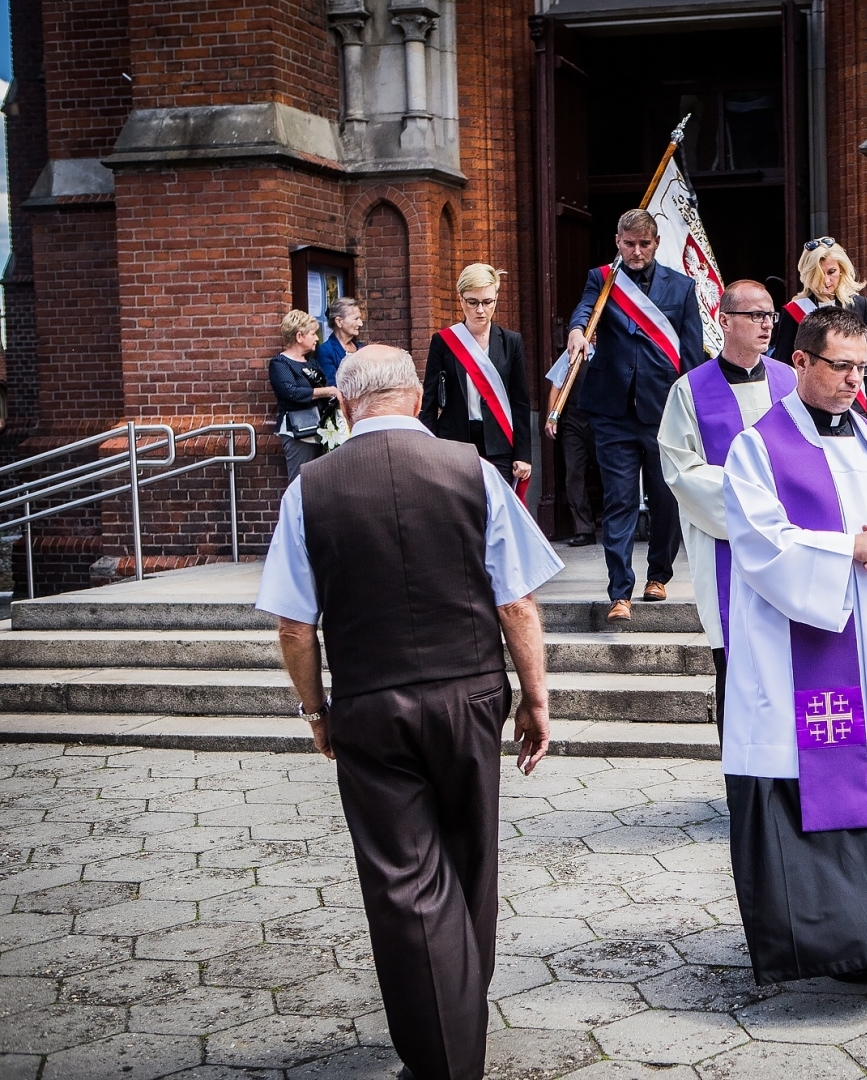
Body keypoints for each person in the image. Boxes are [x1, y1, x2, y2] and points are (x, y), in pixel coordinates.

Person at [255, 345, 563, 1080]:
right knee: (469, 860)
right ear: (418, 398)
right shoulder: (473, 471)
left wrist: (315, 709)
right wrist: (536, 699)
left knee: (403, 881)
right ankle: (457, 1022)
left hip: (368, 699)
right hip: (469, 693)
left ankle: (442, 1050)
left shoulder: (311, 487)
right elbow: (517, 601)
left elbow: (294, 625)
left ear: (347, 404)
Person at [720, 305, 867, 985]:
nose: (855, 380)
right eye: (841, 366)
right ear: (800, 362)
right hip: (798, 654)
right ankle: (829, 941)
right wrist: (845, 548)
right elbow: (761, 543)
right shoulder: (758, 448)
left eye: (862, 367)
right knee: (809, 784)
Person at [658, 280, 796, 744]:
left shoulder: (791, 380)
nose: (765, 324)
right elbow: (681, 469)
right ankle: (744, 783)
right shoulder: (690, 390)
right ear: (724, 321)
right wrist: (754, 506)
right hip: (727, 547)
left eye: (769, 315)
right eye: (754, 315)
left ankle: (791, 778)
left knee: (791, 660)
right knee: (736, 665)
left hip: (791, 543)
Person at [567, 209, 704, 622]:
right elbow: (584, 312)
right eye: (629, 244)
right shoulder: (602, 278)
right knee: (619, 500)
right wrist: (576, 331)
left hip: (663, 409)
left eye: (644, 244)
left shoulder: (680, 287)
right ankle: (619, 592)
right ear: (617, 240)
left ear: (657, 243)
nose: (636, 252)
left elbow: (692, 355)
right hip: (612, 410)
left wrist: (695, 409)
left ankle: (658, 575)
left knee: (665, 498)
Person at [419, 264, 534, 490]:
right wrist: (428, 448)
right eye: (473, 302)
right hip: (455, 442)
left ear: (496, 298)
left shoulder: (511, 342)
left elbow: (520, 402)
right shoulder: (443, 342)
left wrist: (523, 454)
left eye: (487, 302)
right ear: (461, 300)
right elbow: (429, 401)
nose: (480, 310)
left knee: (497, 515)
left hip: (499, 444)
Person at [769, 237, 867, 422]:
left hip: (855, 406)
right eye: (818, 274)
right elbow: (783, 367)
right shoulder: (793, 312)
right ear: (808, 275)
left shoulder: (858, 305)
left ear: (842, 270)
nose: (826, 281)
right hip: (811, 408)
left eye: (832, 272)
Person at [268, 309, 341, 481]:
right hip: (299, 432)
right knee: (300, 482)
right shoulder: (280, 364)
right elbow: (291, 393)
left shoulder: (312, 363)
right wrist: (327, 391)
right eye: (313, 334)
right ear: (299, 336)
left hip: (320, 429)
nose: (317, 338)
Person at [543, 354, 599, 547]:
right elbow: (556, 386)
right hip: (574, 421)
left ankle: (615, 527)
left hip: (604, 422)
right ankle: (584, 529)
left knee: (611, 474)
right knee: (574, 474)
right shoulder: (573, 354)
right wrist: (552, 417)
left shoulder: (615, 348)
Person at [313, 297, 365, 384]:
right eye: (356, 319)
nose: (360, 323)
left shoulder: (361, 348)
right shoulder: (326, 351)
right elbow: (332, 385)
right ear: (339, 322)